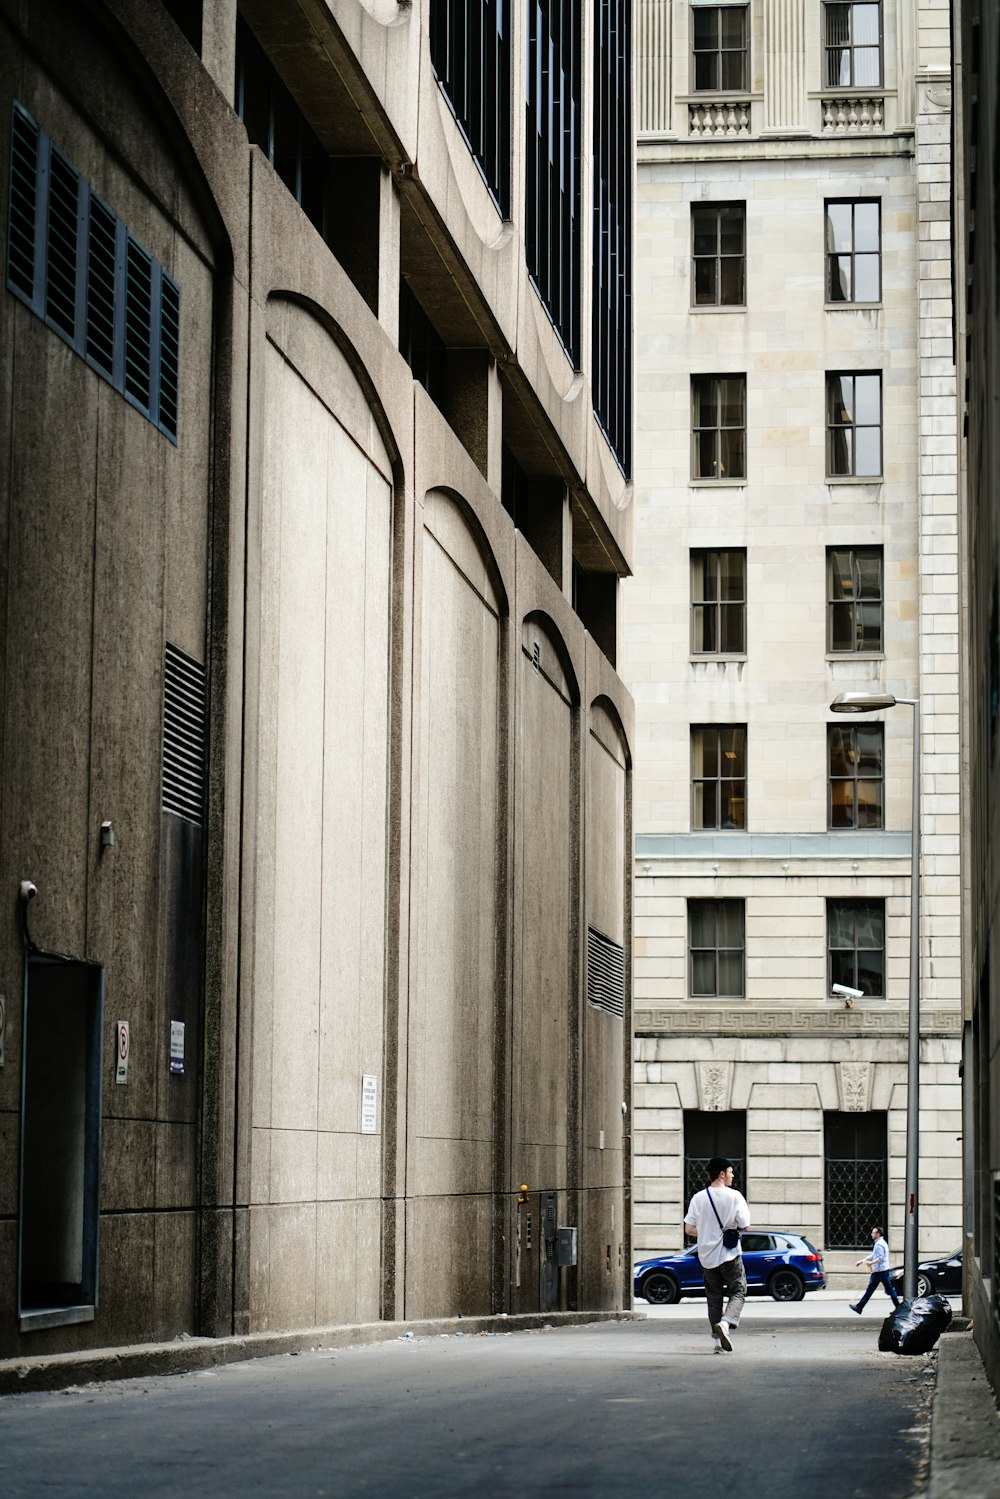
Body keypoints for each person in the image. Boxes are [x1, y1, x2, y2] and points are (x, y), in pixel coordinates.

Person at [684, 1155, 751, 1353]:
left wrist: (707, 1232)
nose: (733, 1176)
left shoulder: (698, 1198)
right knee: (739, 1290)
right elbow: (745, 1225)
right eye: (730, 1172)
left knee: (714, 1298)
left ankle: (717, 1343)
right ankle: (727, 1322)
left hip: (707, 1257)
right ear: (722, 1174)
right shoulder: (734, 1196)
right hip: (730, 1255)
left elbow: (689, 1229)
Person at [850, 1226, 901, 1314]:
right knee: (890, 1290)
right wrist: (862, 1261)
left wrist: (871, 1263)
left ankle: (859, 1307)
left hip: (879, 1272)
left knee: (870, 1290)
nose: (871, 1234)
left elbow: (880, 1258)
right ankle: (899, 1308)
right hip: (884, 1270)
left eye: (873, 1233)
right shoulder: (882, 1242)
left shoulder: (879, 1244)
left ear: (878, 1234)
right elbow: (874, 1255)